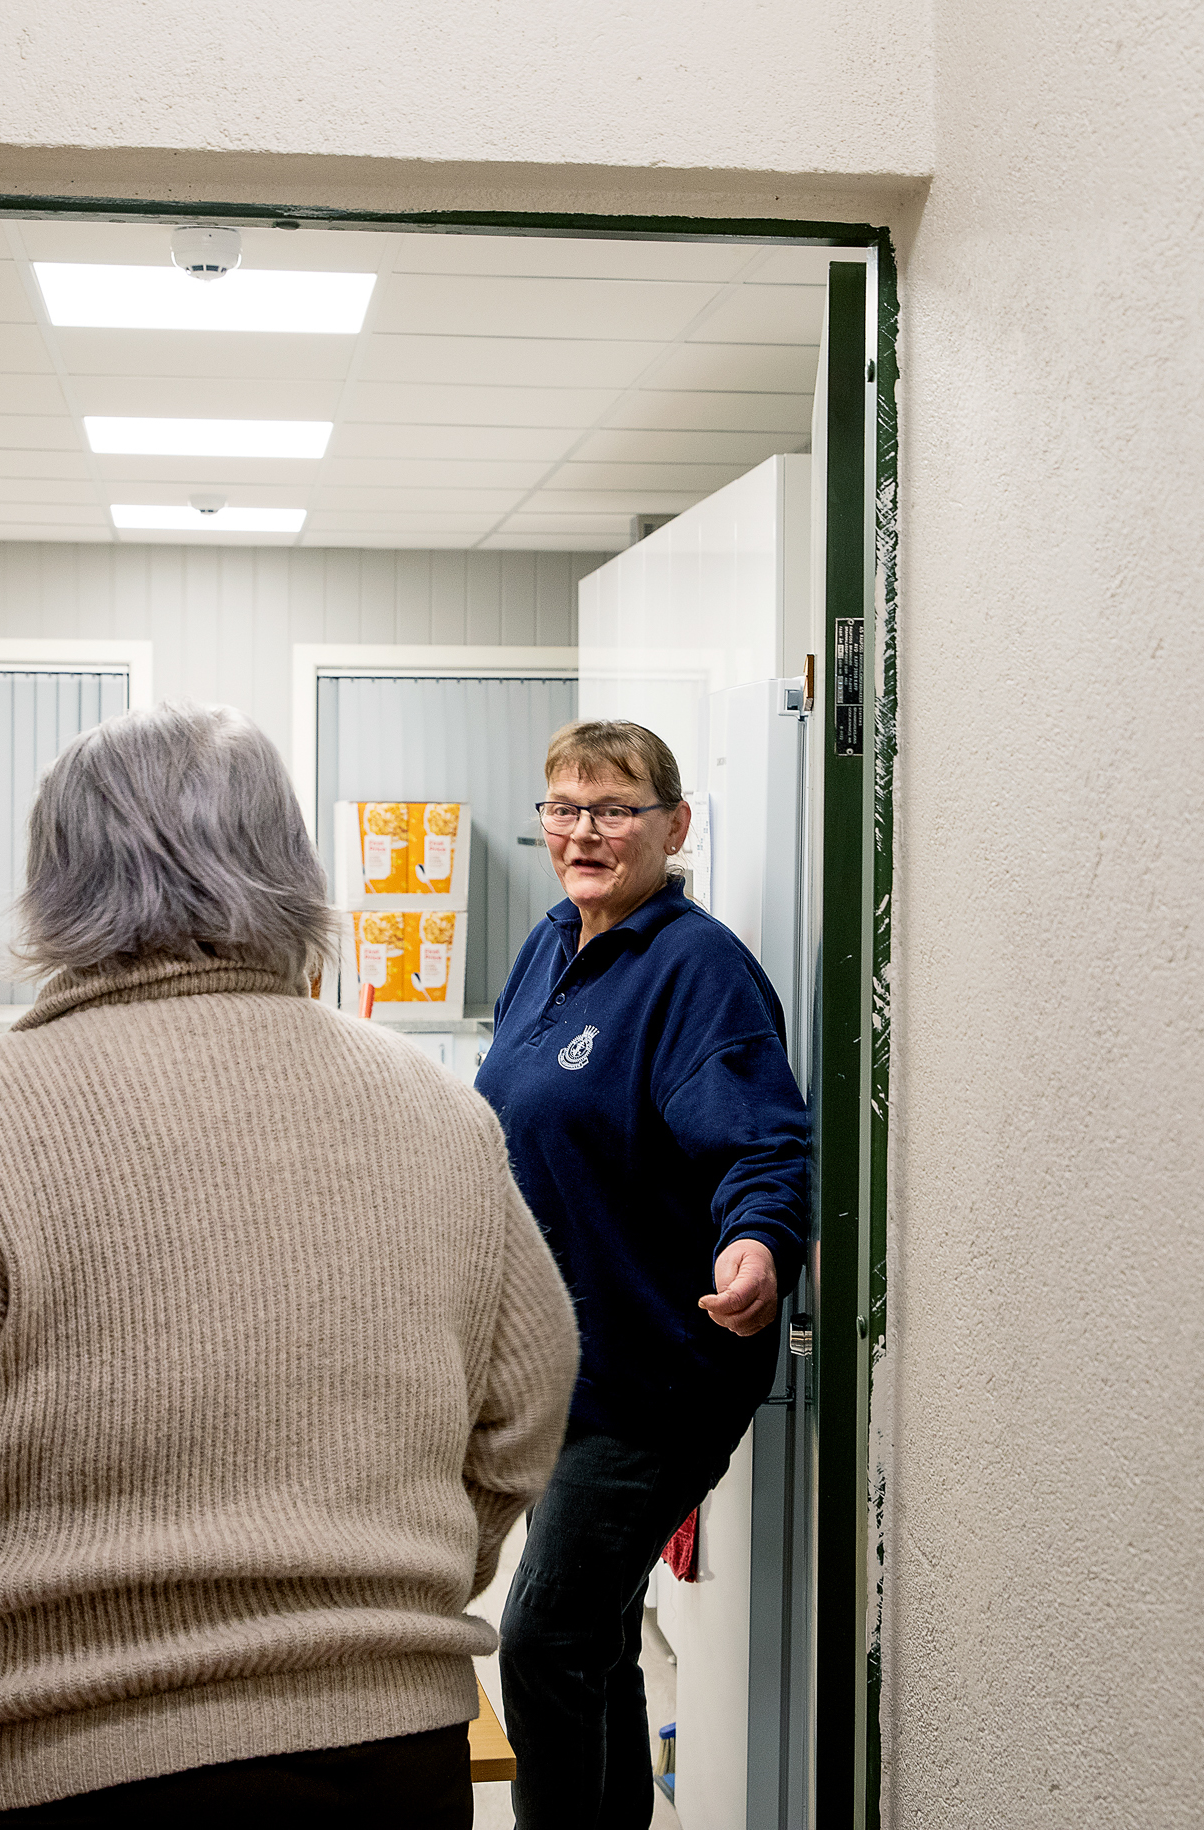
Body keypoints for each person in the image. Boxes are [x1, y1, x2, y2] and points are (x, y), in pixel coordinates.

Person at [0, 703, 579, 1830]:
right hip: (387, 1753)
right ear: (290, 866)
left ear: (58, 878)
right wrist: (384, 1575)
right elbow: (531, 1396)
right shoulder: (438, 1110)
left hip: (57, 1759)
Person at [475, 719, 812, 1830]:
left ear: (673, 826)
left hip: (653, 1374)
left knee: (543, 1639)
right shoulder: (548, 948)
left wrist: (758, 1243)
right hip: (563, 1369)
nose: (584, 832)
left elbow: (762, 1143)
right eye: (564, 808)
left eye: (615, 810)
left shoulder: (694, 968)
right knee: (596, 1638)